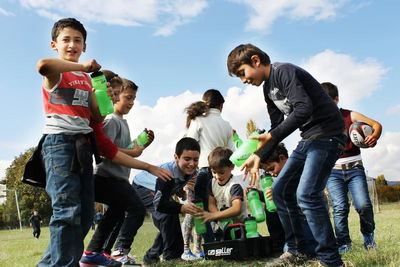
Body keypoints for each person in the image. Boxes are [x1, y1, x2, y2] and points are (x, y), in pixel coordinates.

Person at [227, 44, 347, 267]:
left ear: (255, 60)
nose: (243, 80)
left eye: (242, 73)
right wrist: (259, 155)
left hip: (329, 134)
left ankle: (331, 260)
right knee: (280, 191)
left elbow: (303, 109)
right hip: (309, 138)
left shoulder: (284, 72)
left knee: (308, 194)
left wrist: (272, 135)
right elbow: (276, 125)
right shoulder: (267, 89)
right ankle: (297, 251)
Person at [35, 18, 108, 267]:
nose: (72, 44)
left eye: (78, 40)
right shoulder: (56, 71)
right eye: (66, 39)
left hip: (82, 145)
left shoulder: (86, 79)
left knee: (86, 215)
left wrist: (103, 96)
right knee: (67, 212)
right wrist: (84, 66)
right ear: (54, 44)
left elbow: (97, 116)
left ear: (84, 45)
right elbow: (43, 65)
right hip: (59, 145)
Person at [80, 75, 172, 267]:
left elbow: (125, 152)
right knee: (137, 209)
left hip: (119, 177)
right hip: (108, 177)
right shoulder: (112, 120)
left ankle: (101, 253)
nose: (131, 102)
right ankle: (120, 251)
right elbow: (105, 150)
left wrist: (140, 147)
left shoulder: (122, 121)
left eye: (134, 99)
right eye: (128, 97)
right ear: (115, 96)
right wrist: (136, 153)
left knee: (119, 212)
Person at [322, 82, 382, 252]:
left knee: (364, 205)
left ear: (337, 99)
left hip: (355, 168)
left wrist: (374, 136)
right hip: (333, 172)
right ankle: (343, 244)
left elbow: (376, 125)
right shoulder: (319, 122)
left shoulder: (350, 116)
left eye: (329, 102)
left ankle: (368, 238)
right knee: (340, 209)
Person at [132, 137, 201, 265]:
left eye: (195, 159)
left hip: (159, 190)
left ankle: (151, 258)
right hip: (143, 186)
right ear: (176, 158)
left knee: (169, 221)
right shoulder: (167, 174)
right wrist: (182, 208)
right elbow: (160, 203)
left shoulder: (191, 171)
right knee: (167, 214)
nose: (192, 163)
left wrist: (180, 191)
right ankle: (171, 256)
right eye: (187, 159)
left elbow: (176, 184)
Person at [245, 143, 317, 254]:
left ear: (282, 158)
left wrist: (278, 193)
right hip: (291, 223)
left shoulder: (300, 172)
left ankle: (316, 244)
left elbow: (302, 197)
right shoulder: (281, 178)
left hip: (307, 222)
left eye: (272, 169)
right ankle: (277, 243)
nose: (271, 174)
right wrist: (257, 194)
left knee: (290, 249)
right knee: (271, 207)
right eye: (268, 172)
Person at [186, 89, 236, 243]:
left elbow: (189, 144)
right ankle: (220, 242)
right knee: (216, 208)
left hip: (203, 171)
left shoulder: (198, 120)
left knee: (203, 210)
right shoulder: (227, 125)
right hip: (220, 174)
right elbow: (231, 153)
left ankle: (210, 246)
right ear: (221, 106)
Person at [196, 147, 248, 241]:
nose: (218, 176)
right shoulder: (212, 183)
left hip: (239, 228)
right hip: (223, 228)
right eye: (214, 172)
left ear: (232, 166)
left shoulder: (234, 186)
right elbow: (211, 203)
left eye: (221, 172)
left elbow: (237, 209)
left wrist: (214, 216)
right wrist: (218, 214)